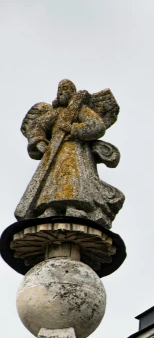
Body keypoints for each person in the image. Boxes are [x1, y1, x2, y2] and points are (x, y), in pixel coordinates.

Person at [15, 79, 123, 228]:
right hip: (54, 152)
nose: (61, 92)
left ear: (72, 91)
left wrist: (74, 129)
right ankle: (50, 208)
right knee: (53, 180)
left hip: (76, 149)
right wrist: (39, 142)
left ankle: (75, 206)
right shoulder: (56, 113)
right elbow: (36, 125)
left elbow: (97, 126)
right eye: (59, 89)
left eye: (65, 88)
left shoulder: (79, 109)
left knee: (72, 177)